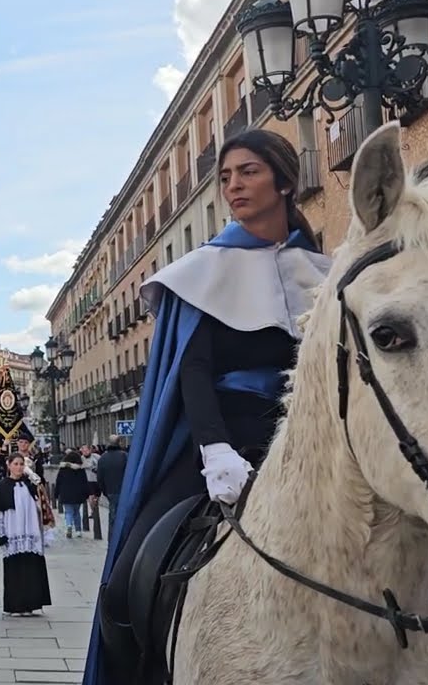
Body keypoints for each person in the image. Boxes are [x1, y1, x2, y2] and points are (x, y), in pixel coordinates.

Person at [84, 128, 331, 685]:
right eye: (225, 177)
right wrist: (215, 450)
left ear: (284, 180)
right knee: (124, 584)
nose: (234, 186)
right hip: (222, 440)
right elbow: (191, 371)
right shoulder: (205, 269)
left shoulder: (324, 271)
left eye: (248, 172)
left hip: (308, 437)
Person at [0, 452, 56, 616]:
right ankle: (15, 605)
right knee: (14, 570)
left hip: (30, 533)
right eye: (15, 464)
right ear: (8, 465)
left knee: (31, 567)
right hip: (13, 533)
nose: (18, 467)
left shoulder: (30, 485)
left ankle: (31, 604)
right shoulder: (1, 487)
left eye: (21, 464)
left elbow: (42, 505)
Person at [53, 450, 89, 538]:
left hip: (66, 493)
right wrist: (86, 494)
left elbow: (58, 482)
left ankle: (69, 526)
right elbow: (85, 482)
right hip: (78, 494)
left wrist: (56, 494)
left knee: (68, 512)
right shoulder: (80, 470)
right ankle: (78, 530)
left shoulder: (63, 469)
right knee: (77, 512)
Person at [97, 436, 128, 532]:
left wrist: (105, 491)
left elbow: (100, 478)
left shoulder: (102, 458)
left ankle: (112, 538)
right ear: (119, 443)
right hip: (124, 490)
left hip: (110, 491)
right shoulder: (125, 456)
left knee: (113, 516)